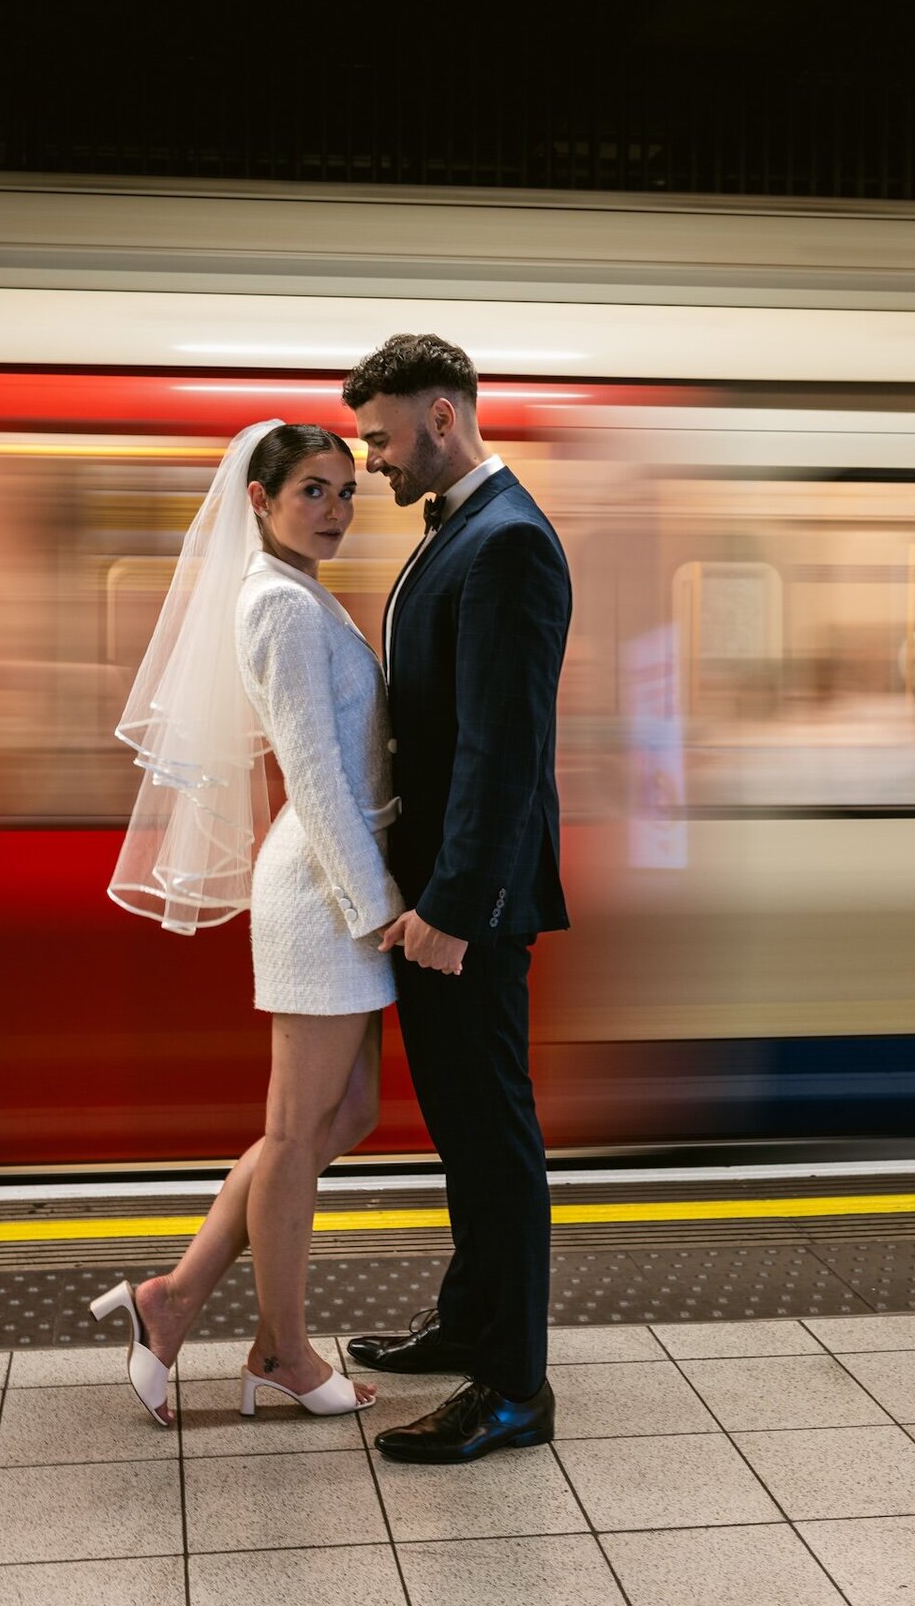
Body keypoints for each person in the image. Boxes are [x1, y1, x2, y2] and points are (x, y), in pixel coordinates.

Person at [92, 421, 404, 1425]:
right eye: (314, 491)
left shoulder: (302, 592)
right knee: (293, 1130)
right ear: (261, 499)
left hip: (339, 885)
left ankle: (172, 1299)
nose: (337, 510)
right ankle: (279, 1350)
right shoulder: (275, 604)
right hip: (323, 895)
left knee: (336, 1120)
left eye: (347, 493)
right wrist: (379, 905)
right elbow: (313, 776)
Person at [343, 333, 573, 1464]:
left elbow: (501, 751)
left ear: (442, 419)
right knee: (461, 1132)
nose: (371, 460)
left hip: (464, 910)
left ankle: (516, 1389)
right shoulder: (463, 535)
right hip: (434, 898)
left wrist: (453, 907)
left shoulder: (510, 543)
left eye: (381, 438)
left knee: (493, 1137)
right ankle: (473, 1321)